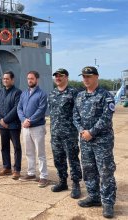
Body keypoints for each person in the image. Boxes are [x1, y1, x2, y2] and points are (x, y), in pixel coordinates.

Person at [73, 66, 117, 218]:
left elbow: (106, 117)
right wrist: (82, 131)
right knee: (89, 170)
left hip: (102, 140)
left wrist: (91, 132)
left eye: (89, 76)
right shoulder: (79, 96)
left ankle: (108, 203)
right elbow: (75, 116)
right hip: (85, 140)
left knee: (105, 171)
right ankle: (93, 197)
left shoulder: (105, 96)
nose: (86, 79)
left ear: (96, 77)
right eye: (84, 76)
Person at [48, 68, 82, 198]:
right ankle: (62, 182)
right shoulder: (52, 93)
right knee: (58, 159)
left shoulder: (73, 93)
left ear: (66, 77)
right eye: (56, 76)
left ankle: (76, 184)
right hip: (55, 133)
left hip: (69, 134)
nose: (58, 78)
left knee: (73, 159)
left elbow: (78, 113)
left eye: (60, 76)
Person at [17, 71, 48, 188]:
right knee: (29, 152)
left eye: (32, 79)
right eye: (28, 78)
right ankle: (31, 173)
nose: (30, 80)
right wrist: (23, 120)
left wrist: (29, 120)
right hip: (25, 127)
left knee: (40, 153)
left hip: (37, 127)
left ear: (37, 80)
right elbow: (19, 108)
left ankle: (43, 176)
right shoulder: (24, 94)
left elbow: (41, 110)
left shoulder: (42, 94)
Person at [0, 71, 22, 179]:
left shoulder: (17, 92)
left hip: (13, 125)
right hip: (2, 125)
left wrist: (5, 120)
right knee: (4, 147)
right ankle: (6, 167)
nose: (5, 80)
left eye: (7, 79)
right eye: (4, 79)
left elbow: (16, 108)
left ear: (12, 80)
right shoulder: (0, 92)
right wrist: (0, 119)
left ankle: (17, 170)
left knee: (16, 147)